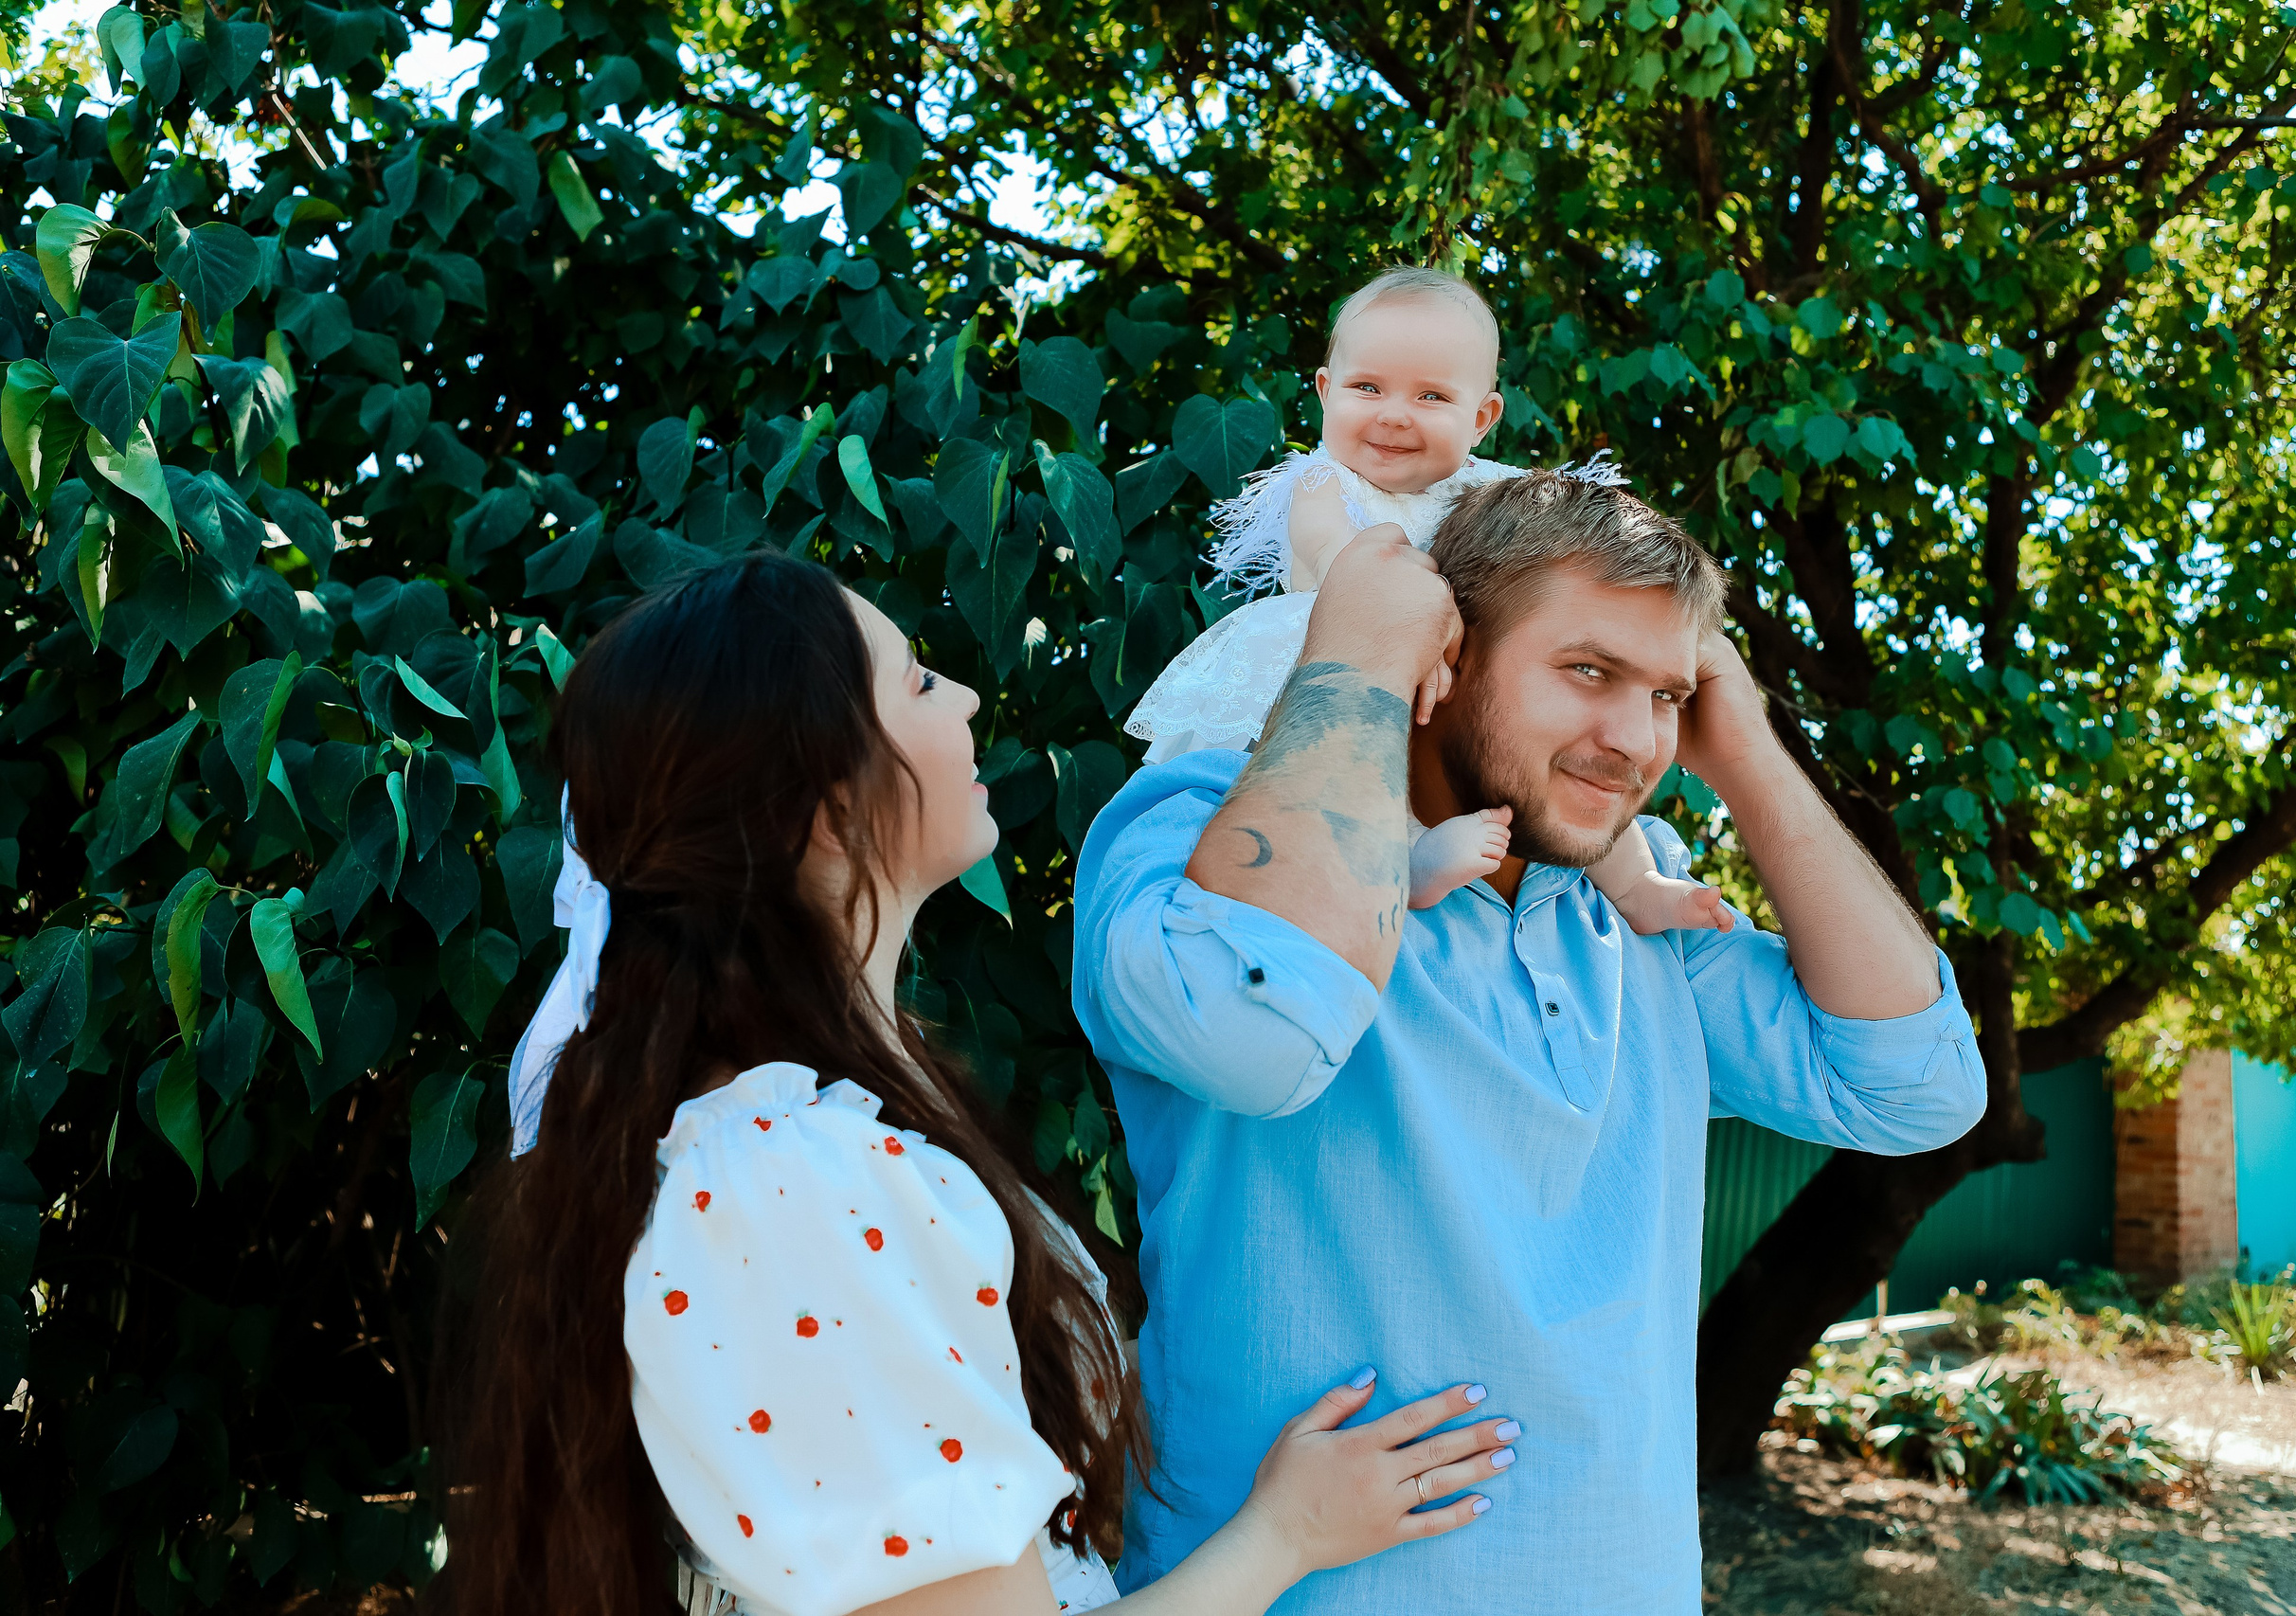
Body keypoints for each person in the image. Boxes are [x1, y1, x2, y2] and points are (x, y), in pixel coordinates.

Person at [438, 553, 1521, 1616]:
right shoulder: (793, 1187)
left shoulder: (835, 1115)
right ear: (823, 802)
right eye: (913, 680)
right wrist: (1289, 1531)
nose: (958, 696)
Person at [1072, 476, 1989, 1613]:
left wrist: (1745, 749)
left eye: (1667, 693)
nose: (1633, 739)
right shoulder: (1198, 830)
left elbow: (1920, 1085)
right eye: (1589, 671)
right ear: (1444, 652)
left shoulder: (1637, 914)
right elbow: (1247, 1032)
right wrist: (1356, 658)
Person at [1125, 265, 1726, 929]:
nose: (1393, 414)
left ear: (1482, 417)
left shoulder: (1490, 492)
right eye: (1367, 387)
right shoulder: (1322, 484)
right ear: (1326, 393)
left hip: (1444, 666)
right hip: (1345, 651)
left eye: (1431, 397)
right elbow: (1342, 561)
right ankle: (1403, 862)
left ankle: (1638, 886)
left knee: (1586, 764)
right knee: (1345, 765)